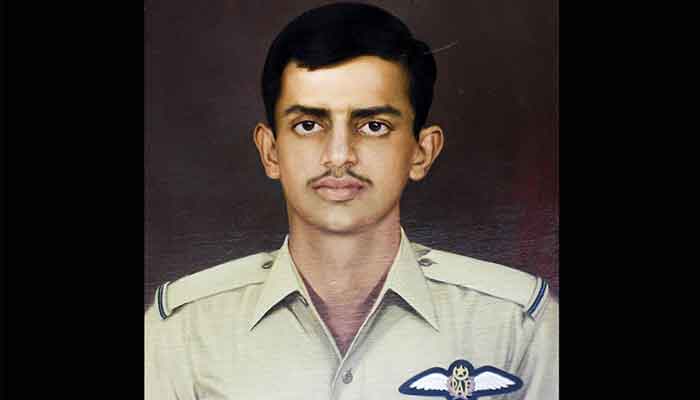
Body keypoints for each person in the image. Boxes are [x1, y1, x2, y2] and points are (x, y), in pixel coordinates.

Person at [144, 3, 558, 399]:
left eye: (373, 125)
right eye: (308, 125)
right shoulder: (184, 331)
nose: (339, 155)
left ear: (422, 152)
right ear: (270, 151)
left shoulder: (517, 325)